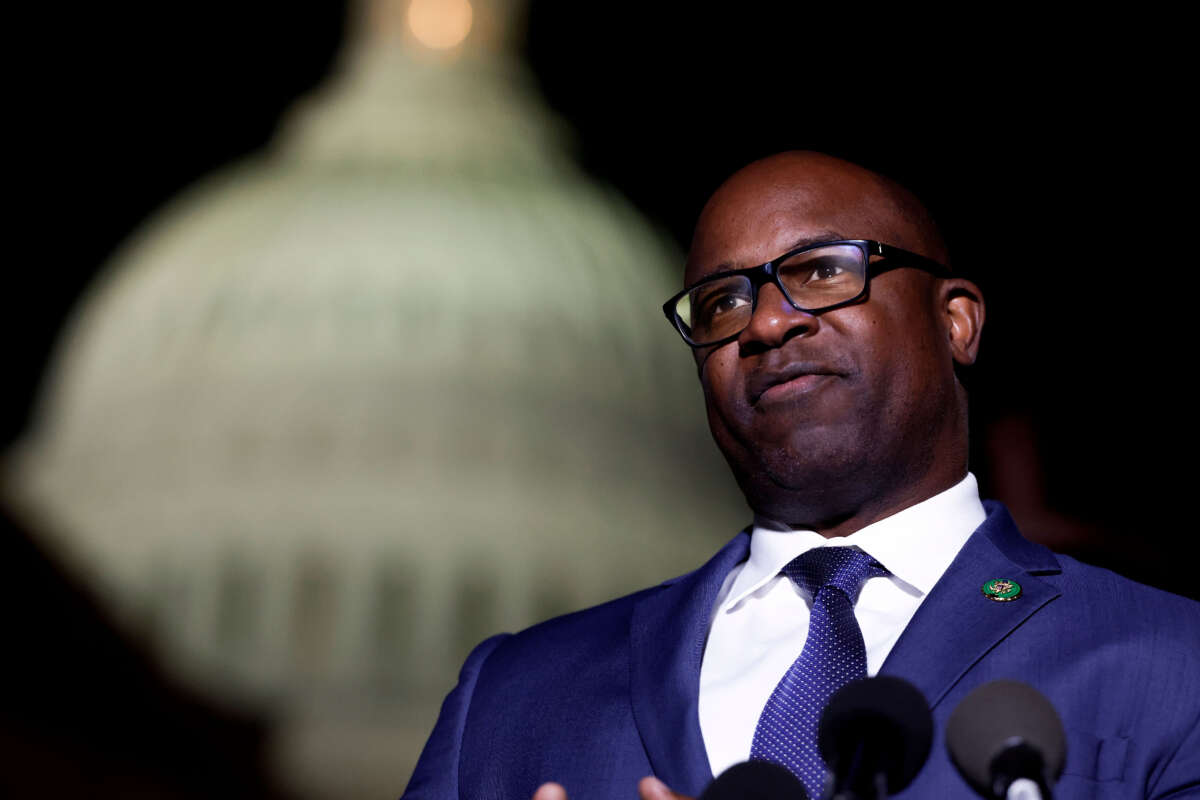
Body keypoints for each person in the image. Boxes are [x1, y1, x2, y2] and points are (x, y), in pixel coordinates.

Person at [400, 152, 1200, 800]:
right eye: (720, 303)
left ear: (955, 321)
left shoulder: (1170, 663)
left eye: (821, 270)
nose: (769, 321)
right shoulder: (510, 698)